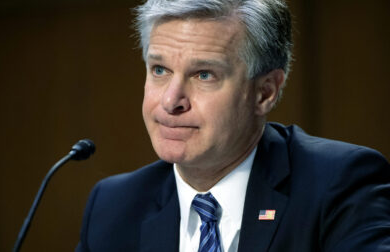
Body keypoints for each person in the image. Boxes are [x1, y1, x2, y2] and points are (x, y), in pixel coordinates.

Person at [76, 0, 390, 251]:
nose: (171, 101)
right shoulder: (114, 207)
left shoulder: (339, 186)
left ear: (265, 92)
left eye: (203, 74)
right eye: (160, 70)